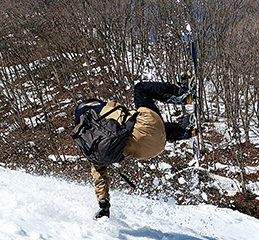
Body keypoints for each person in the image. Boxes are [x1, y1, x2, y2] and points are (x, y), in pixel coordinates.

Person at [76, 77, 196, 219]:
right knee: (140, 89)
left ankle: (186, 131)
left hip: (152, 150)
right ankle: (182, 94)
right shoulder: (100, 110)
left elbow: (99, 176)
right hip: (149, 127)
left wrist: (104, 206)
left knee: (139, 132)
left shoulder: (91, 144)